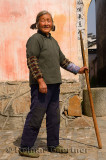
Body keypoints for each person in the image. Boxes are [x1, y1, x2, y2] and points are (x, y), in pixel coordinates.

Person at [19, 10, 88, 158]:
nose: (46, 23)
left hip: (54, 85)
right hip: (41, 86)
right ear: (37, 23)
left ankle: (53, 144)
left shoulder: (53, 42)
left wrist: (79, 70)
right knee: (36, 116)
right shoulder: (35, 39)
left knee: (53, 117)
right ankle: (25, 146)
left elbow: (63, 61)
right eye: (43, 20)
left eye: (49, 20)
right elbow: (32, 61)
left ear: (52, 23)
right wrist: (40, 80)